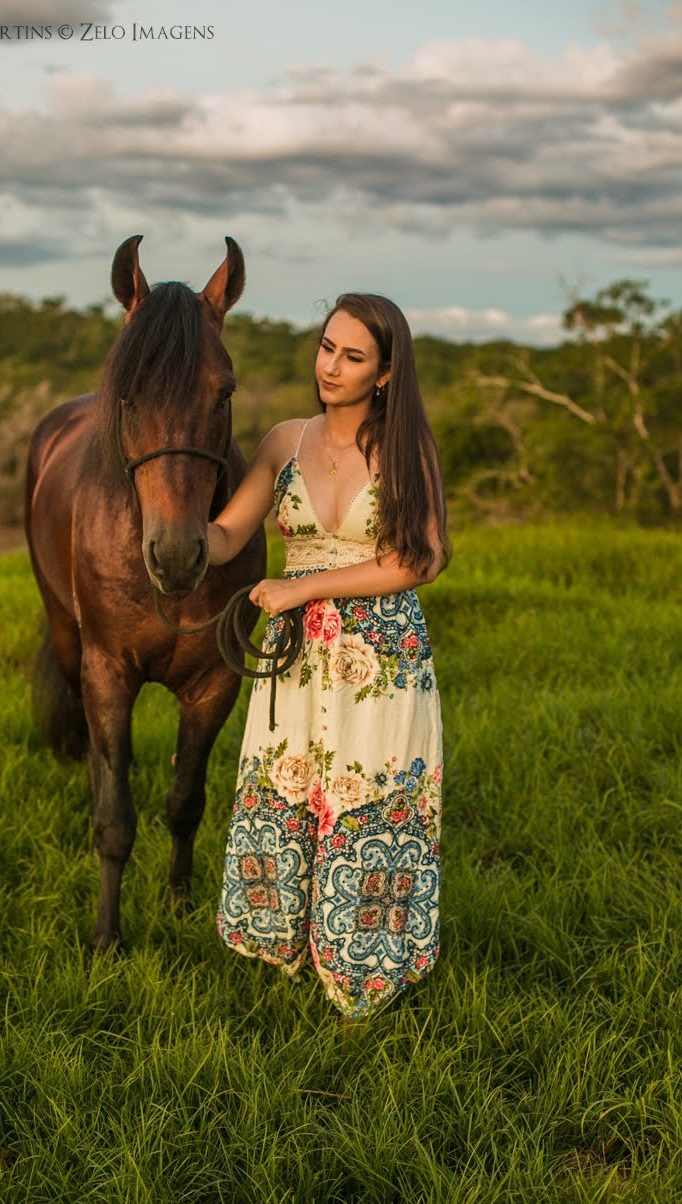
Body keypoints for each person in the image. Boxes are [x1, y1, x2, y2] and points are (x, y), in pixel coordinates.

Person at [207, 292, 453, 1020]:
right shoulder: (285, 439)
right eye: (326, 348)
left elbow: (420, 559)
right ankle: (281, 948)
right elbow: (225, 534)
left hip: (379, 658)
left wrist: (300, 586)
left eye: (352, 357)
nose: (331, 367)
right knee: (287, 791)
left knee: (366, 801)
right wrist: (172, 524)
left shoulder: (406, 445)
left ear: (384, 373)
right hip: (298, 658)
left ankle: (362, 969)